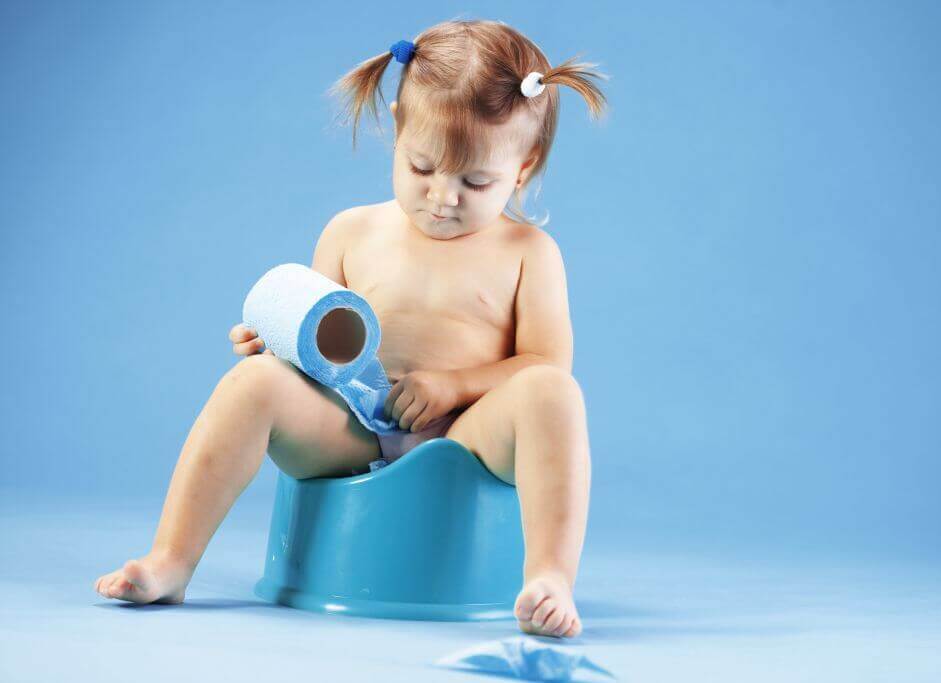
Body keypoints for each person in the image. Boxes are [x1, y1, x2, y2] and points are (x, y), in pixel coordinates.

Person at [94, 18, 608, 639]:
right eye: (422, 168)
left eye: (476, 181)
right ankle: (172, 561)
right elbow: (319, 347)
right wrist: (277, 344)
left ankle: (550, 577)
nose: (444, 197)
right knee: (253, 382)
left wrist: (456, 385)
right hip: (354, 425)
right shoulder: (351, 232)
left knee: (554, 395)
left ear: (522, 168)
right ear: (398, 128)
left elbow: (546, 363)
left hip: (469, 437)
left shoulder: (529, 251)